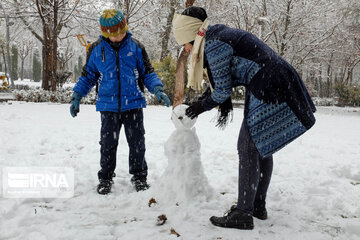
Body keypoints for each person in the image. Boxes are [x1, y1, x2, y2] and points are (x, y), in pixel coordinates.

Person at [172, 7, 316, 230]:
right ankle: (256, 205)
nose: (186, 49)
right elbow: (223, 84)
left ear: (190, 34)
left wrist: (198, 108)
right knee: (260, 146)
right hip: (270, 78)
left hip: (267, 81)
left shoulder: (213, 44)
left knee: (249, 147)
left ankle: (243, 213)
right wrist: (199, 103)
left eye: (184, 43)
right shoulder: (215, 35)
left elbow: (221, 92)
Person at [70, 9, 170, 195]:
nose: (118, 37)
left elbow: (147, 72)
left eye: (121, 32)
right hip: (108, 106)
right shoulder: (96, 49)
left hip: (133, 104)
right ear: (105, 33)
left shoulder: (136, 47)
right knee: (107, 144)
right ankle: (106, 178)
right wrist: (77, 96)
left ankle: (139, 177)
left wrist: (157, 89)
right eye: (114, 34)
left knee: (137, 143)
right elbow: (87, 76)